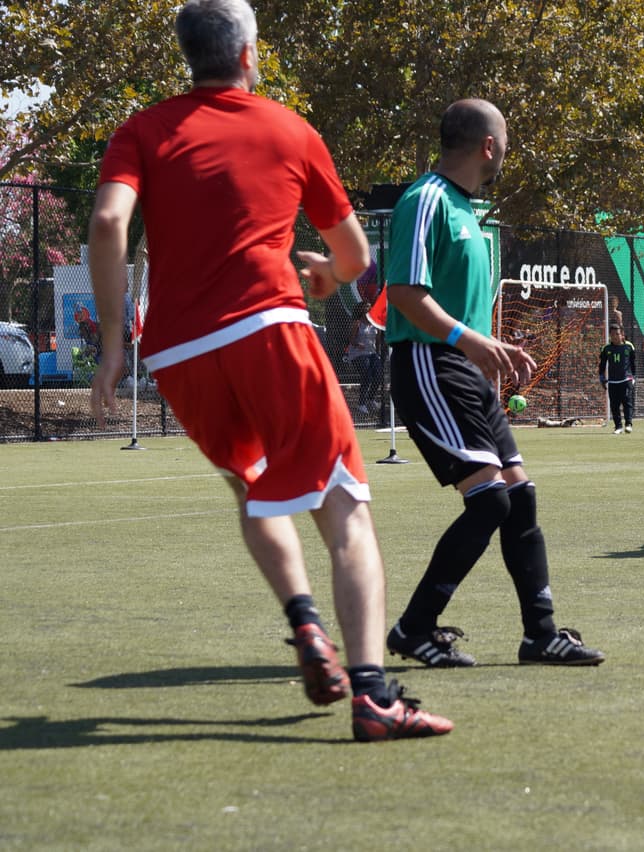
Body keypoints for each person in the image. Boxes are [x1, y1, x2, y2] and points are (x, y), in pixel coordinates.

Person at [86, 0, 450, 742]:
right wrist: (321, 275)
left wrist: (117, 344)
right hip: (268, 328)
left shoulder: (143, 130)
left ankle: (305, 624)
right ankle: (374, 695)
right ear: (249, 54)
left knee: (253, 487)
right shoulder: (289, 129)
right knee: (345, 505)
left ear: (190, 57)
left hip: (178, 354)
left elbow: (106, 222)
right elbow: (353, 260)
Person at [382, 98, 604, 669]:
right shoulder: (425, 199)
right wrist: (472, 342)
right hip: (430, 364)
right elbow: (404, 295)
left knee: (519, 498)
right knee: (488, 503)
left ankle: (541, 635)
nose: (507, 148)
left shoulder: (464, 209)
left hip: (462, 369)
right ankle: (414, 628)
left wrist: (492, 350)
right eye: (505, 137)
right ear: (487, 145)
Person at [345, 301, 383, 415]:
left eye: (368, 307)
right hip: (358, 354)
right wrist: (357, 344)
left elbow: (378, 339)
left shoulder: (375, 324)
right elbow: (351, 340)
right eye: (365, 307)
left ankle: (371, 399)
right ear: (361, 309)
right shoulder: (357, 323)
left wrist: (378, 350)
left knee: (378, 375)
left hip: (372, 353)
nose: (367, 309)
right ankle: (361, 404)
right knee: (367, 375)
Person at [599, 324, 636, 433]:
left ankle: (628, 424)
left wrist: (633, 377)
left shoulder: (629, 346)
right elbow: (602, 365)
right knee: (614, 405)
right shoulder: (606, 348)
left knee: (627, 402)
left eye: (617, 334)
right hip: (613, 381)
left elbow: (633, 363)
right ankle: (618, 427)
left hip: (626, 379)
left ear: (622, 335)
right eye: (612, 334)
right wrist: (602, 377)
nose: (615, 336)